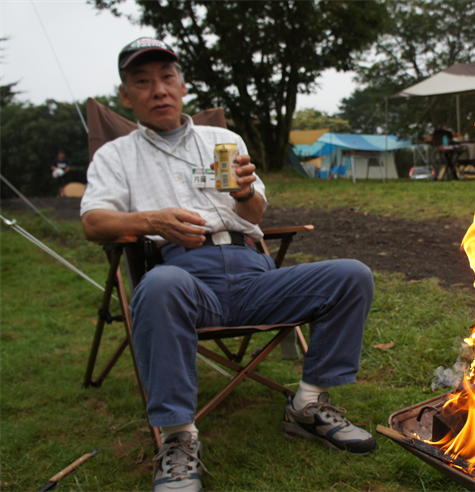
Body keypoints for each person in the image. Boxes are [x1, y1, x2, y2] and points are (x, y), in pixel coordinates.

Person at [80, 38, 376, 492]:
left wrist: (243, 194)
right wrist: (152, 220)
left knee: (352, 274)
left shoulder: (223, 140)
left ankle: (309, 404)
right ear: (126, 96)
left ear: (182, 86)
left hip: (254, 274)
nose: (158, 90)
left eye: (166, 78)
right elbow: (94, 221)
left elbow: (255, 215)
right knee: (160, 286)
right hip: (186, 280)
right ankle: (178, 438)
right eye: (143, 82)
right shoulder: (116, 156)